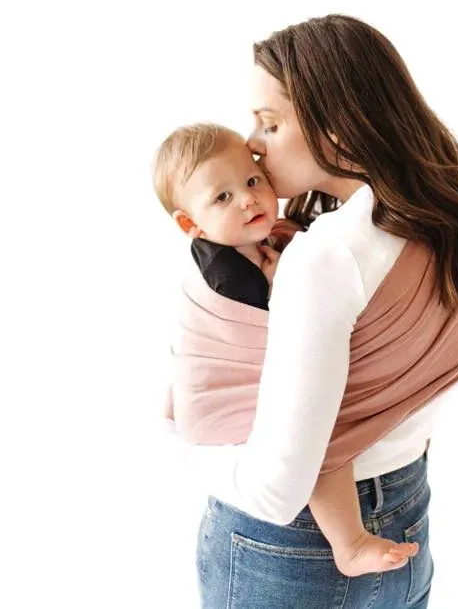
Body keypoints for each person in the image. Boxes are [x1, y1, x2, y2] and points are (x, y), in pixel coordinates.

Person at [164, 14, 458, 609]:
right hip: (406, 511)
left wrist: (185, 446)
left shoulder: (326, 256)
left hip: (293, 547)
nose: (251, 141)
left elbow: (278, 491)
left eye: (271, 123)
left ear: (339, 126)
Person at [153, 122, 419, 576]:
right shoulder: (227, 275)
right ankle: (348, 543)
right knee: (319, 438)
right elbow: (293, 340)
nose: (247, 199)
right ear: (190, 224)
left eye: (252, 181)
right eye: (223, 197)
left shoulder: (252, 238)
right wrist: (282, 287)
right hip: (225, 401)